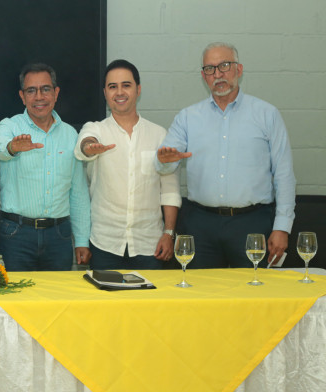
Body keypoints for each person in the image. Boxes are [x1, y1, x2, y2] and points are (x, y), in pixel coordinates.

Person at [156, 42, 295, 268]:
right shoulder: (188, 117)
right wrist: (163, 161)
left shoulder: (267, 114)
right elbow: (165, 163)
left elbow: (284, 175)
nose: (218, 74)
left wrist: (281, 227)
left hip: (252, 223)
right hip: (200, 225)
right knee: (200, 296)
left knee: (254, 294)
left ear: (239, 70)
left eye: (225, 66)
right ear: (203, 76)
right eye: (210, 69)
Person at [74, 59, 181, 270]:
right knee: (106, 303)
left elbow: (169, 190)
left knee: (149, 303)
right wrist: (90, 146)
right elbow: (84, 144)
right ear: (105, 93)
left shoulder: (159, 134)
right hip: (105, 245)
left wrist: (169, 234)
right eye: (112, 87)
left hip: (149, 244)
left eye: (126, 85)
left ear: (138, 89)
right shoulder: (96, 129)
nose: (119, 92)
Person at [0, 63, 91, 271]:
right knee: (16, 301)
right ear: (22, 96)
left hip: (59, 235)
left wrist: (82, 240)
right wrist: (12, 147)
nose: (39, 97)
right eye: (31, 91)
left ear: (56, 93)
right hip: (16, 234)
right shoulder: (10, 127)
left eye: (45, 89)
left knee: (57, 300)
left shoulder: (71, 134)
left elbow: (78, 192)